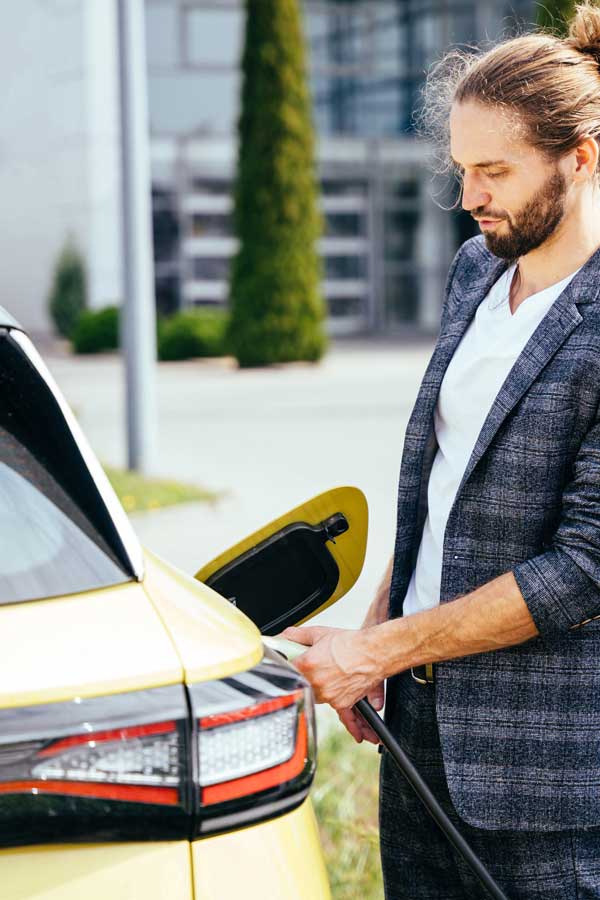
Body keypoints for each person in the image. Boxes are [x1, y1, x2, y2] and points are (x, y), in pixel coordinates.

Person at [280, 3, 600, 897]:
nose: (470, 197)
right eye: (461, 169)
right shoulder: (475, 272)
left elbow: (583, 567)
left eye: (494, 171)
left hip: (546, 776)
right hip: (418, 727)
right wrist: (379, 633)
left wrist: (372, 653)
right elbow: (441, 491)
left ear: (581, 157)